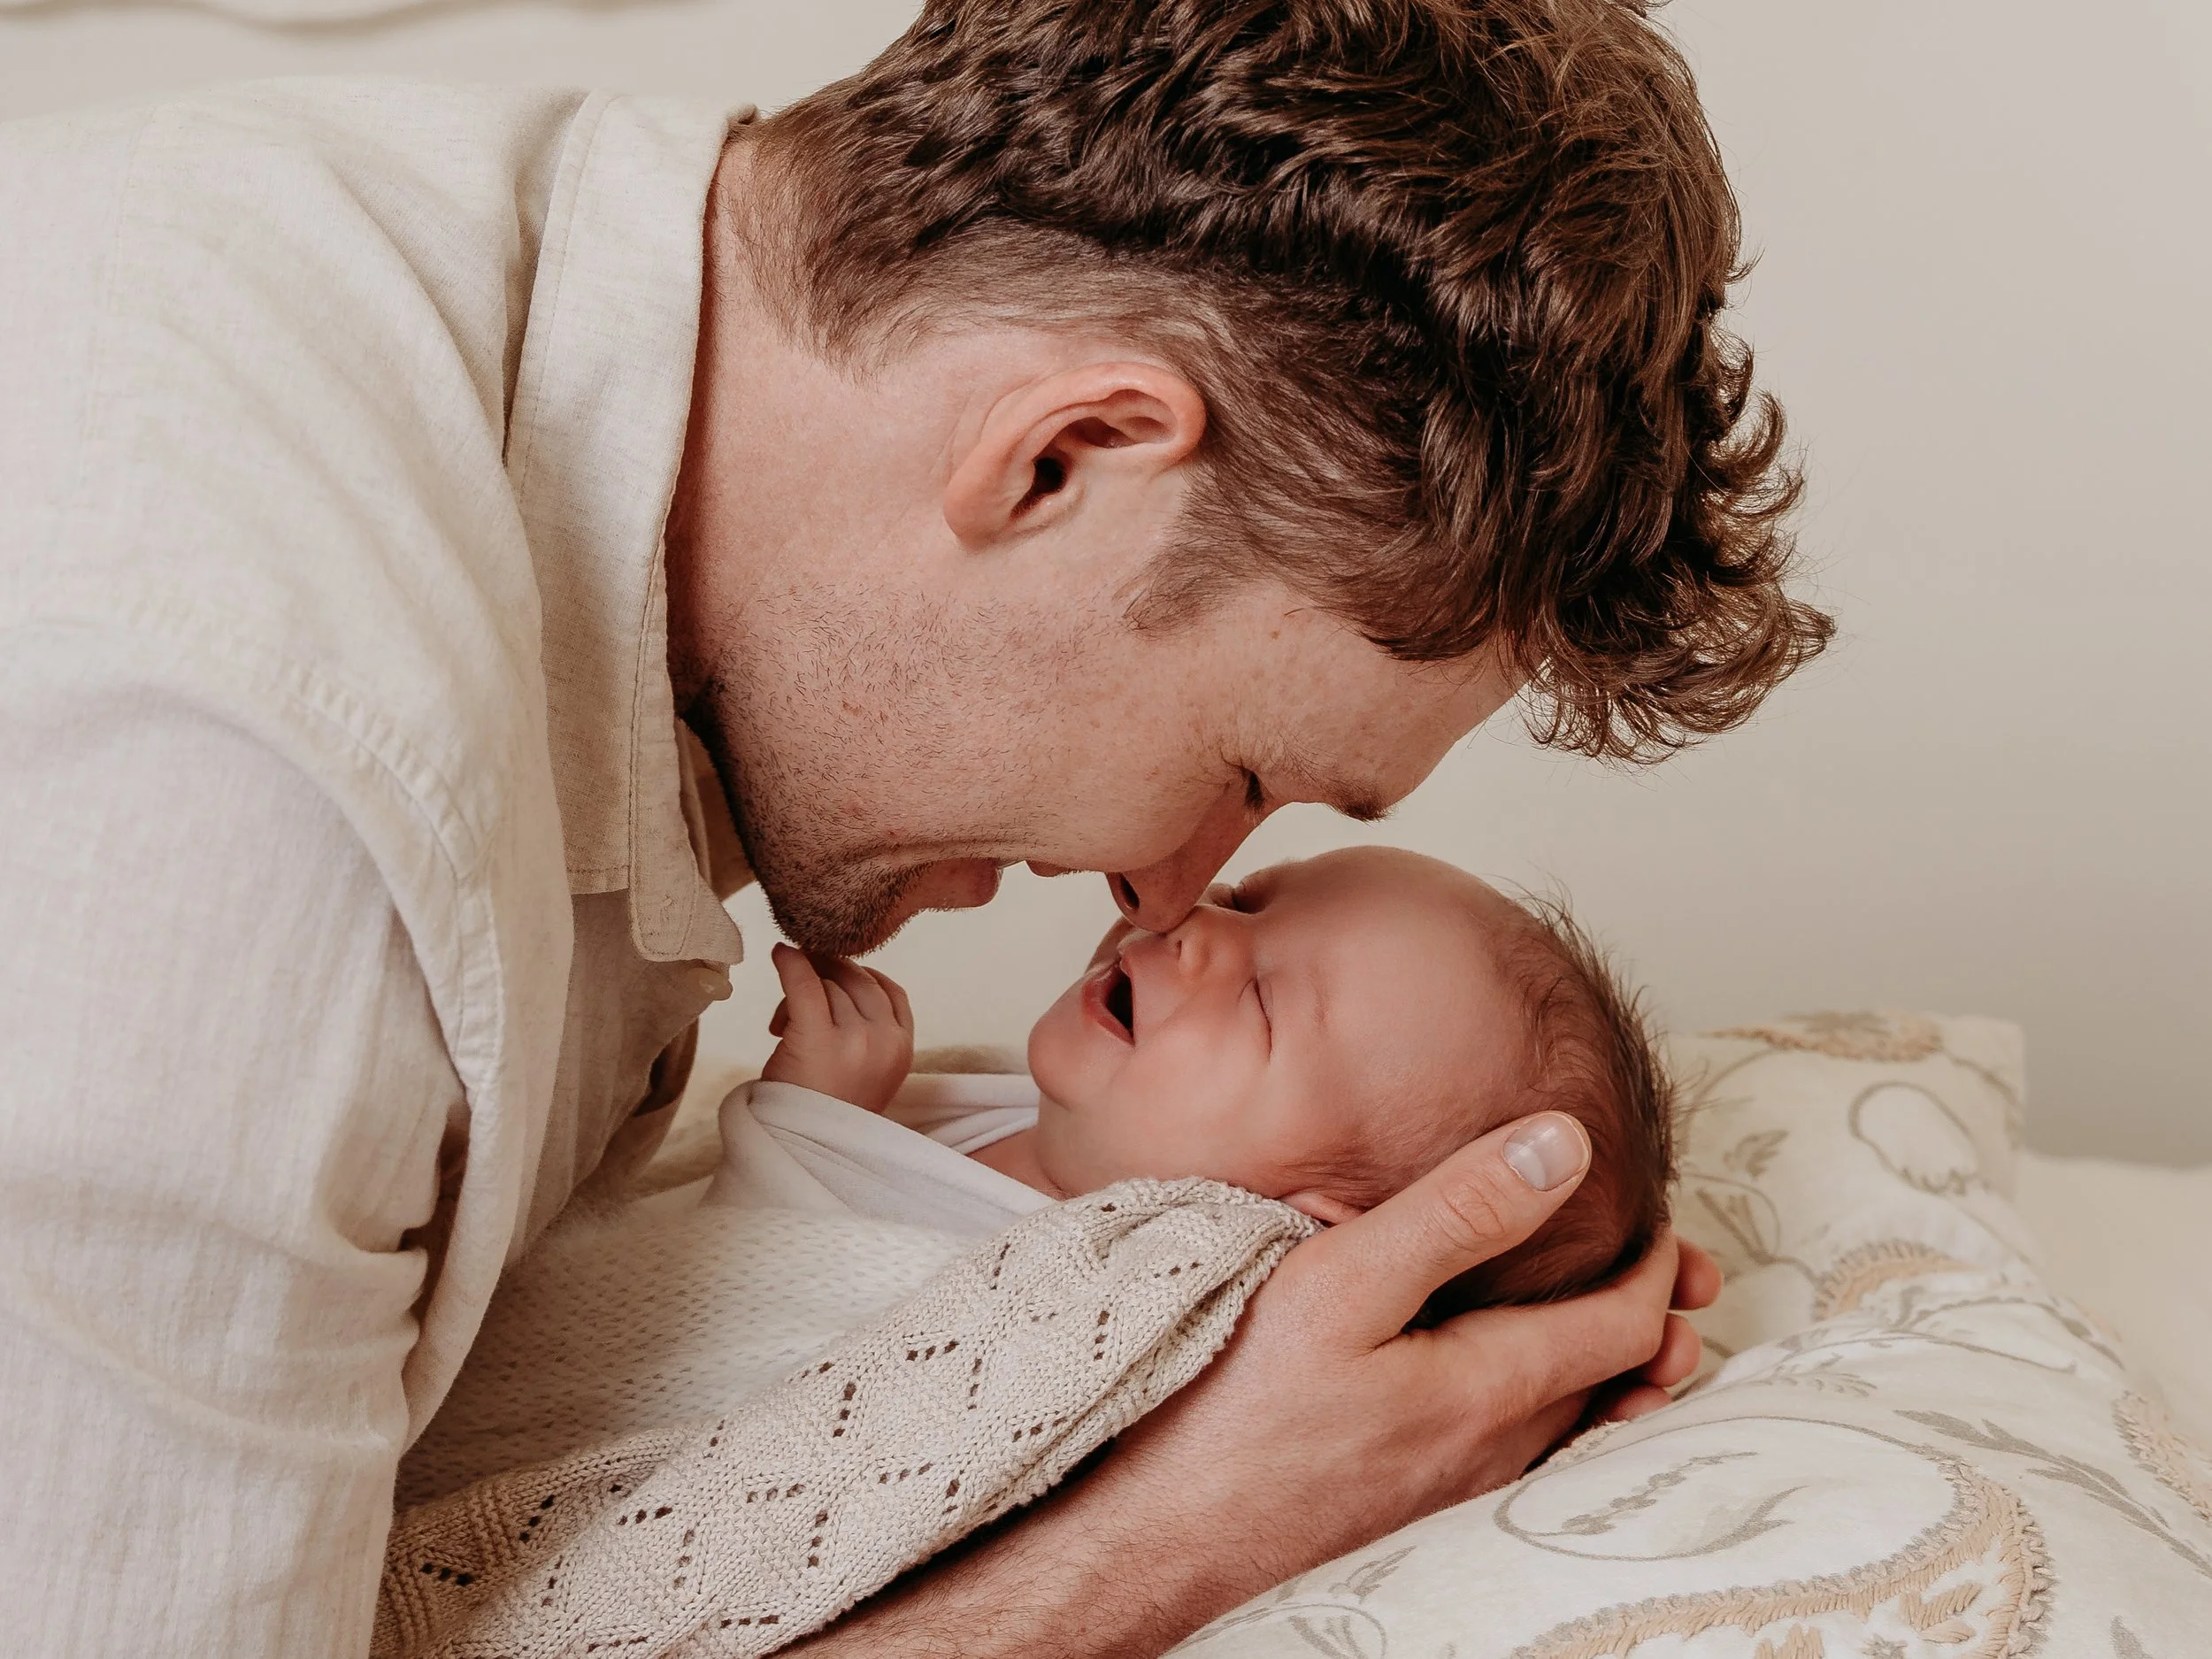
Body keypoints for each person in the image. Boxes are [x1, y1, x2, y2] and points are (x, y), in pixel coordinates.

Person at [0, 0, 1826, 1653]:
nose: (1161, 887)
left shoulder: (538, 282)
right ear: (1060, 461)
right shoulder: (242, 776)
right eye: (1247, 778)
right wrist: (1168, 1541)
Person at [727, 847, 1671, 1318]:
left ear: (1300, 1231)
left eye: (1261, 1002)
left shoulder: (1073, 1311)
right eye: (1249, 899)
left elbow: (740, 1328)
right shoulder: (1052, 1125)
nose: (1202, 925)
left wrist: (807, 1122)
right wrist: (867, 1120)